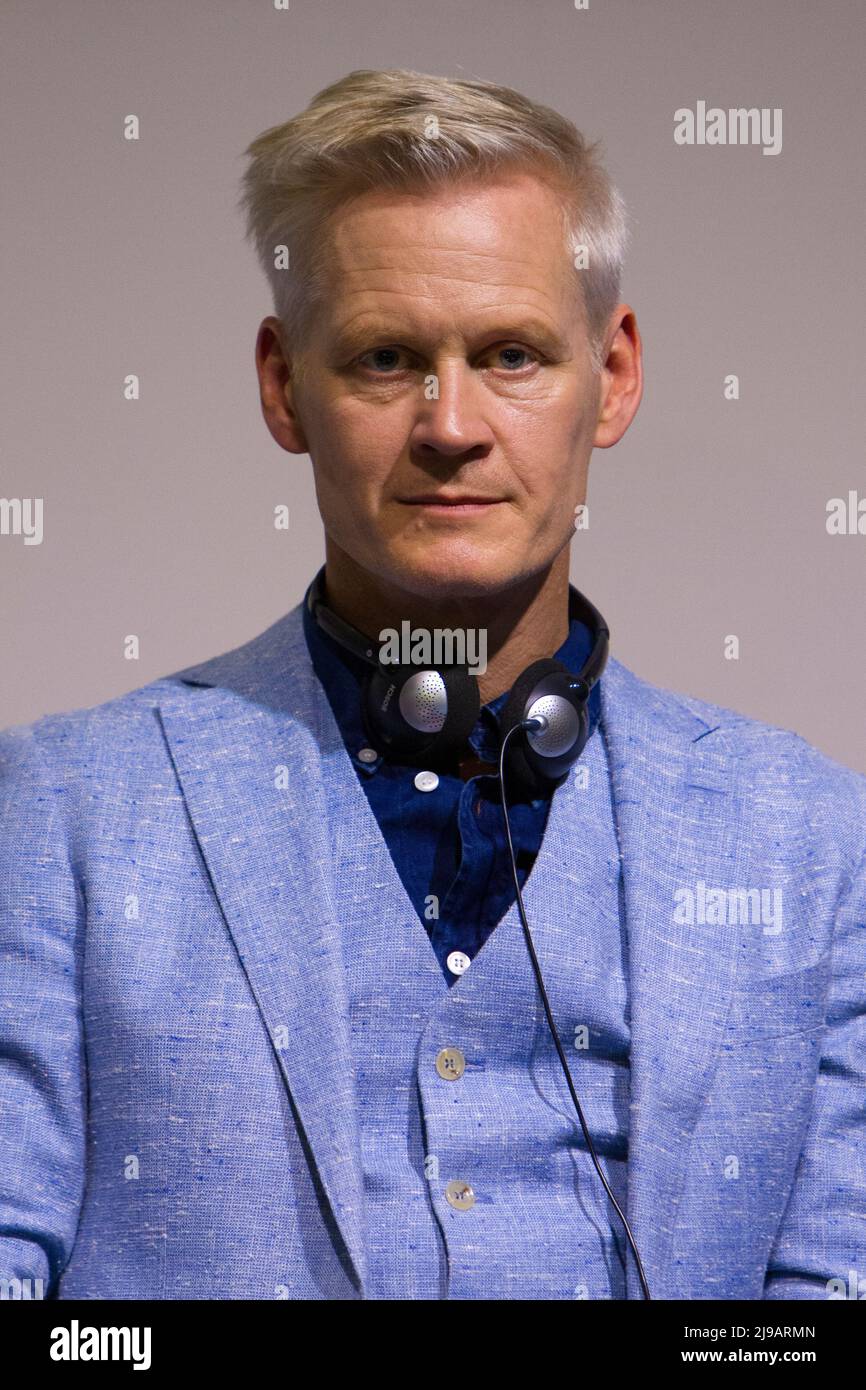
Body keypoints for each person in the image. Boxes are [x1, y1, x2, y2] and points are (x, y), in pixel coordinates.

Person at [1, 68, 864, 1302]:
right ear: (281, 384)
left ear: (612, 376)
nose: (448, 423)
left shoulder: (817, 844)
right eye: (384, 357)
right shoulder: (59, 814)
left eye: (509, 353)